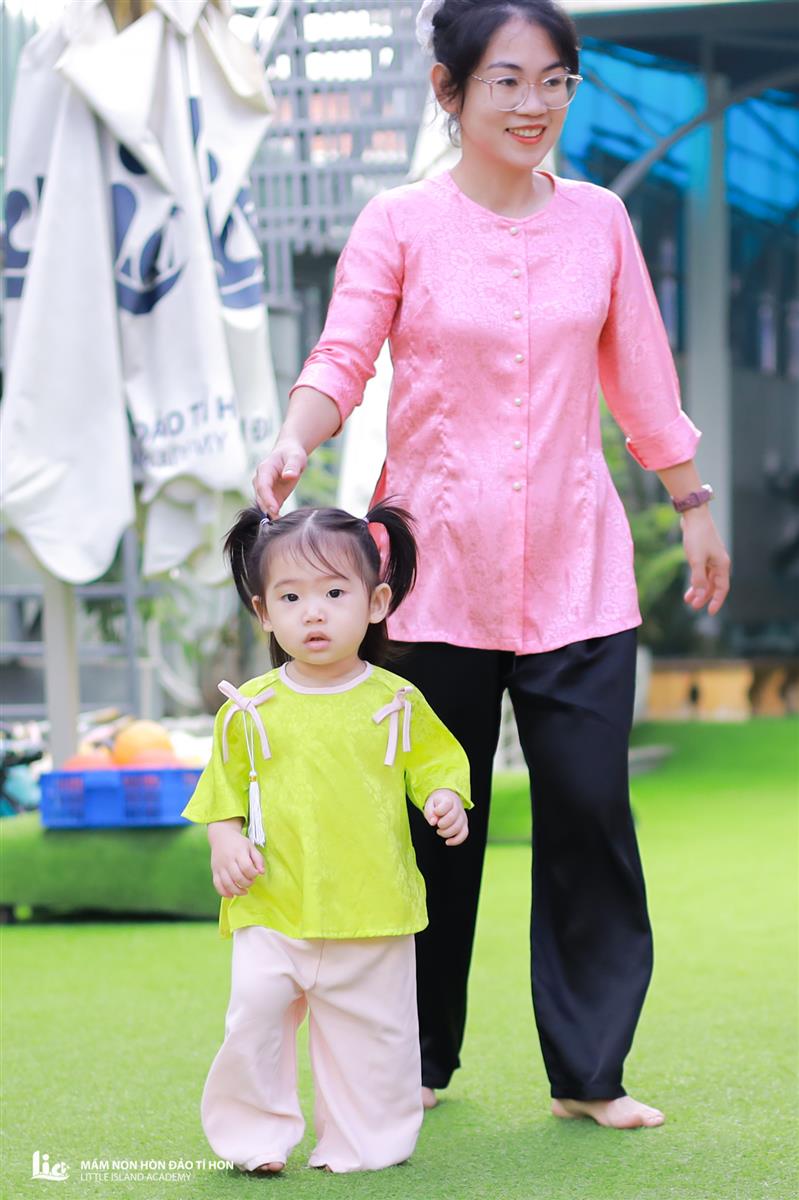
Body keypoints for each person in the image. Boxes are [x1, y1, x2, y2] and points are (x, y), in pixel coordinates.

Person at [253, 0, 731, 1130]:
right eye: (507, 80)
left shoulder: (600, 221)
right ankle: (416, 1059)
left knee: (589, 817)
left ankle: (589, 1074)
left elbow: (641, 378)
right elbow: (344, 352)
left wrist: (691, 504)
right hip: (431, 576)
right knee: (430, 824)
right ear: (449, 89)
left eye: (555, 81)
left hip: (578, 572)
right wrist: (295, 435)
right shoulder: (399, 222)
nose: (533, 104)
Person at [182, 503, 471, 1174]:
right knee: (254, 1019)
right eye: (291, 597)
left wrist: (443, 798)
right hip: (272, 903)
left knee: (375, 1037)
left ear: (376, 603)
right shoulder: (249, 708)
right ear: (263, 613)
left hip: (373, 907)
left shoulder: (395, 700)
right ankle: (254, 1138)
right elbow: (222, 794)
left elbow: (437, 764)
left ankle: (366, 1141)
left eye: (334, 594)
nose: (313, 613)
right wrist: (224, 840)